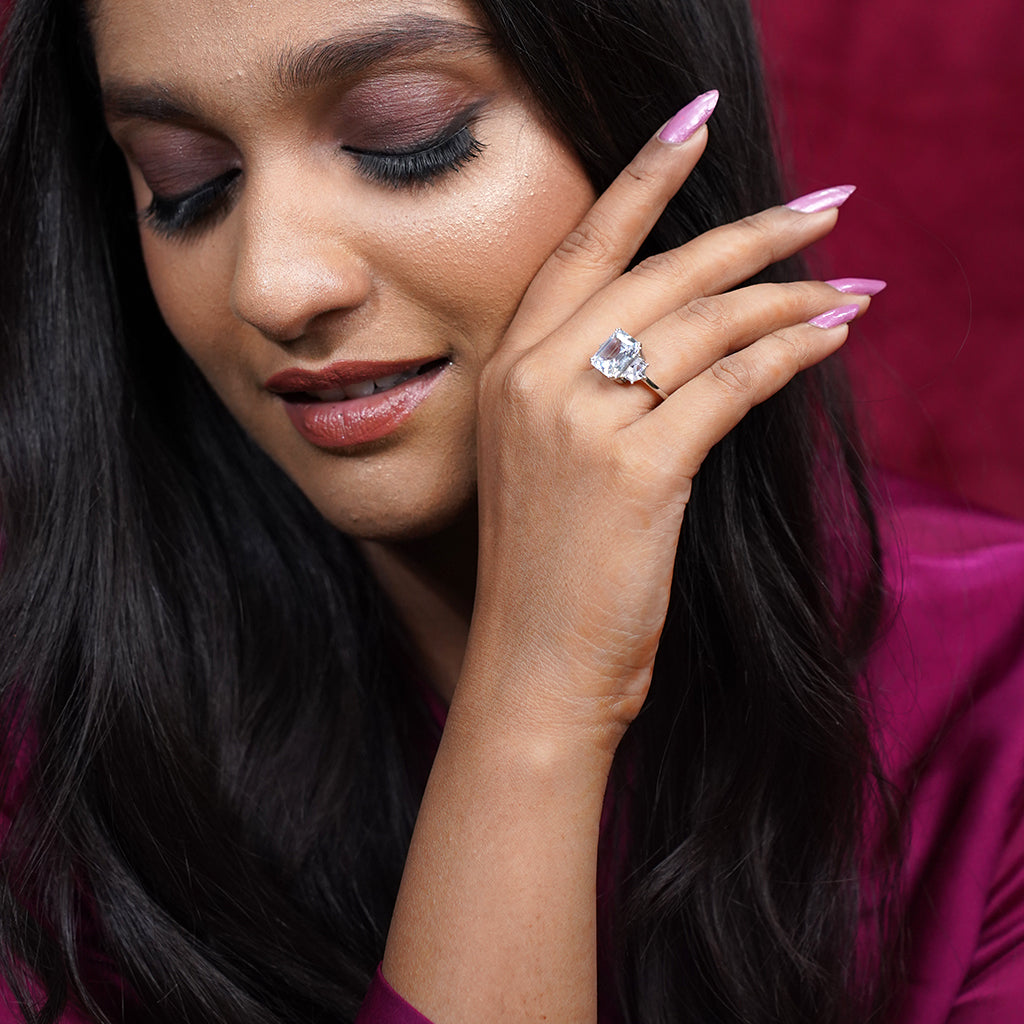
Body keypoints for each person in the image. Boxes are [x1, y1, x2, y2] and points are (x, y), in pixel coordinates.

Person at [1, 0, 1022, 1022]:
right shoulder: (53, 736)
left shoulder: (994, 688)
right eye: (186, 182)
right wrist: (538, 697)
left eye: (403, 140)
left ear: (645, 119)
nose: (273, 286)